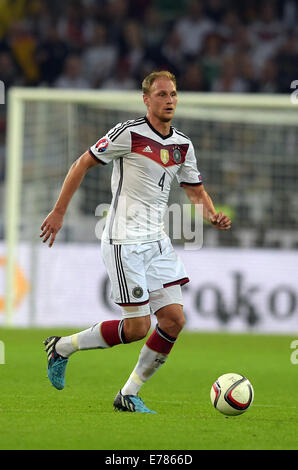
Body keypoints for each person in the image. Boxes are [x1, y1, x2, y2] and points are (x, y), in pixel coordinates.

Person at [40, 70, 231, 413]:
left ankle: (128, 393)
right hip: (123, 239)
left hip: (156, 241)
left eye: (173, 94)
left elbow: (195, 191)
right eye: (161, 94)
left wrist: (212, 215)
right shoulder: (129, 134)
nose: (169, 100)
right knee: (138, 327)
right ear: (146, 100)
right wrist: (58, 212)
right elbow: (82, 163)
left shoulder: (182, 145)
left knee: (173, 320)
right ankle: (63, 347)